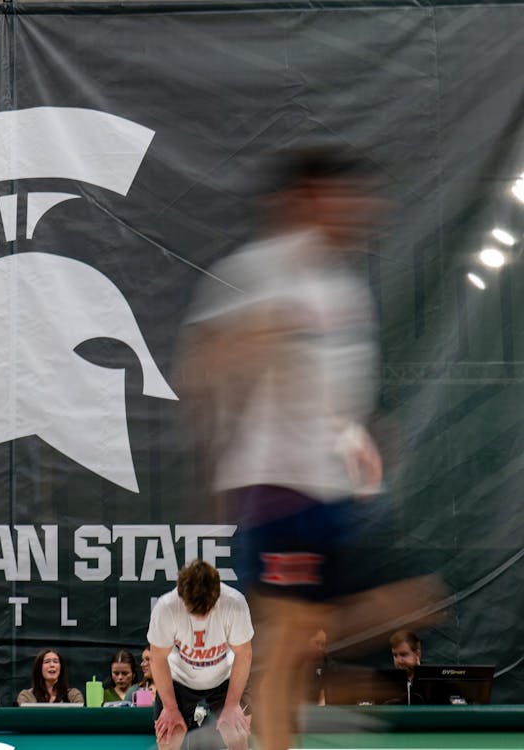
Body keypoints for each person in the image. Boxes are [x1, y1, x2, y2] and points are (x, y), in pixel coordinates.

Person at [177, 146, 444, 750]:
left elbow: (334, 394)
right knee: (293, 640)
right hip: (278, 490)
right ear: (308, 198)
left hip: (337, 496)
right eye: (345, 196)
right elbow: (207, 361)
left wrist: (366, 434)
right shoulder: (262, 270)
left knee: (416, 603)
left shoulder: (344, 288)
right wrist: (214, 468)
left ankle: (333, 692)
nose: (363, 210)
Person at [148, 559, 253, 750]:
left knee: (237, 735)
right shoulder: (166, 608)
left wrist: (232, 705)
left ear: (217, 595)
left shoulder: (234, 603)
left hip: (225, 678)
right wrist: (170, 708)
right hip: (179, 680)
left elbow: (244, 654)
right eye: (194, 611)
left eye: (206, 610)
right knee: (169, 736)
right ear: (181, 595)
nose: (201, 618)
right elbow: (157, 658)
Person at [16, 648, 84, 705]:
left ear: (61, 668)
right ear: (39, 668)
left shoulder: (73, 695)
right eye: (47, 662)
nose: (52, 665)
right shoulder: (26, 696)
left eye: (55, 661)